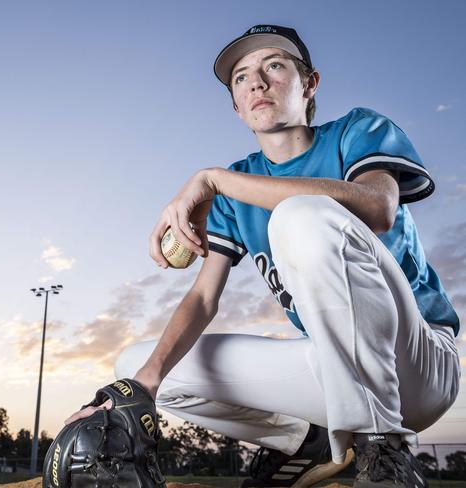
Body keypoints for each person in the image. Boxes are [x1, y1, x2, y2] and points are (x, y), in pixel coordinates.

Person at [66, 25, 460, 487]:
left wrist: (213, 180)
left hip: (418, 360)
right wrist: (146, 384)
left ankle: (384, 448)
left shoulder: (355, 129)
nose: (256, 82)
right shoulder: (238, 185)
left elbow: (378, 207)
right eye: (241, 77)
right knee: (136, 367)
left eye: (274, 66)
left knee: (299, 216)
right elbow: (202, 299)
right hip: (334, 371)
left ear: (309, 84)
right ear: (237, 106)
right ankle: (300, 441)